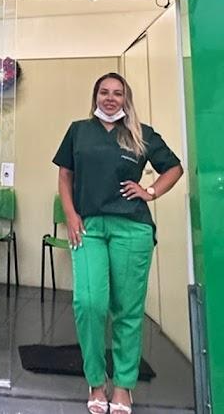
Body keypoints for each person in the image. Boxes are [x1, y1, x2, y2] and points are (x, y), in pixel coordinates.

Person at [52, 73, 183, 414]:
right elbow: (65, 175)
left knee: (127, 309)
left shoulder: (142, 133)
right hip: (89, 227)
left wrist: (150, 191)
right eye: (104, 92)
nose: (110, 98)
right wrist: (70, 215)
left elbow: (174, 168)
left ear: (126, 99)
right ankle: (96, 381)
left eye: (118, 93)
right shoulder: (78, 131)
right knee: (89, 304)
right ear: (95, 96)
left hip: (132, 228)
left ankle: (123, 386)